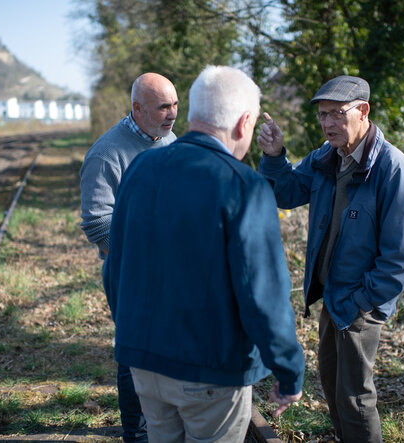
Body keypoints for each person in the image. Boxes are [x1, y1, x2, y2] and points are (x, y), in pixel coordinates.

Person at [102, 65, 305, 442]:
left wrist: (135, 334)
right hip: (210, 370)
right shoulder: (244, 186)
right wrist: (289, 369)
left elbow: (115, 267)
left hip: (144, 365)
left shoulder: (140, 168)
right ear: (244, 123)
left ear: (193, 113)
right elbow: (263, 295)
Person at [257, 75, 404, 443]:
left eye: (337, 113)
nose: (328, 123)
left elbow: (402, 258)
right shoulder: (326, 157)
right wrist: (274, 156)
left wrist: (359, 303)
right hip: (333, 299)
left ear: (363, 111)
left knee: (355, 399)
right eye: (322, 115)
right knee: (334, 390)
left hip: (358, 305)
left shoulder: (393, 169)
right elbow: (285, 192)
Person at [80, 72, 178, 442]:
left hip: (172, 269)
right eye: (162, 107)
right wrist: (149, 246)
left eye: (175, 105)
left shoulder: (170, 141)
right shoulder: (107, 153)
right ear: (137, 109)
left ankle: (164, 423)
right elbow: (96, 224)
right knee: (134, 349)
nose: (171, 115)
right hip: (129, 270)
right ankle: (136, 434)